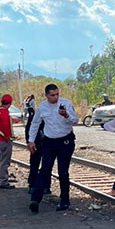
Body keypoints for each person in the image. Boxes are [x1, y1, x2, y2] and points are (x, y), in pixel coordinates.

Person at [27, 84, 78, 213]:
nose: (55, 97)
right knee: (44, 170)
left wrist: (66, 115)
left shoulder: (66, 103)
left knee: (63, 171)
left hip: (65, 141)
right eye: (52, 95)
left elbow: (75, 120)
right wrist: (31, 140)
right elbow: (35, 124)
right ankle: (35, 199)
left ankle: (64, 200)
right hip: (49, 141)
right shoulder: (42, 107)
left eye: (57, 94)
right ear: (46, 95)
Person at [24, 99, 50, 196]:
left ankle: (45, 186)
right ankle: (33, 185)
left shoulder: (47, 116)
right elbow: (29, 129)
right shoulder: (34, 116)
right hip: (37, 143)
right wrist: (29, 142)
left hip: (46, 144)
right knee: (35, 165)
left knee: (46, 166)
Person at [0, 94, 16, 189]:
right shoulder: (5, 112)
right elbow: (6, 127)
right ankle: (3, 181)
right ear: (10, 103)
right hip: (4, 140)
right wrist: (8, 138)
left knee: (1, 159)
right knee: (5, 161)